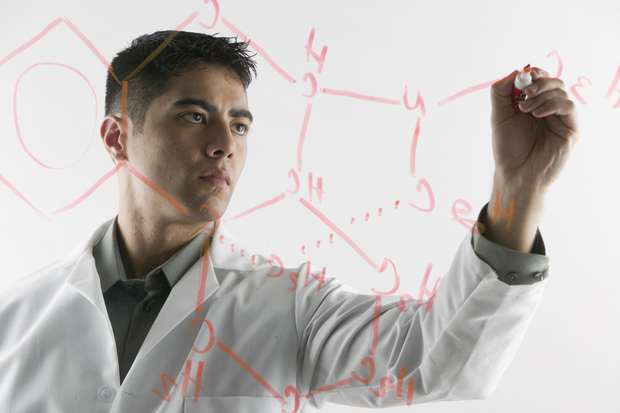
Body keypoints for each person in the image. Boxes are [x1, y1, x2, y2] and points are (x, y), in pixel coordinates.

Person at [0, 31, 578, 412]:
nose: (225, 144)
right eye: (195, 116)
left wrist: (517, 190)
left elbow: (436, 360)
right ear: (117, 137)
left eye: (241, 125)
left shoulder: (292, 308)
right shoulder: (15, 318)